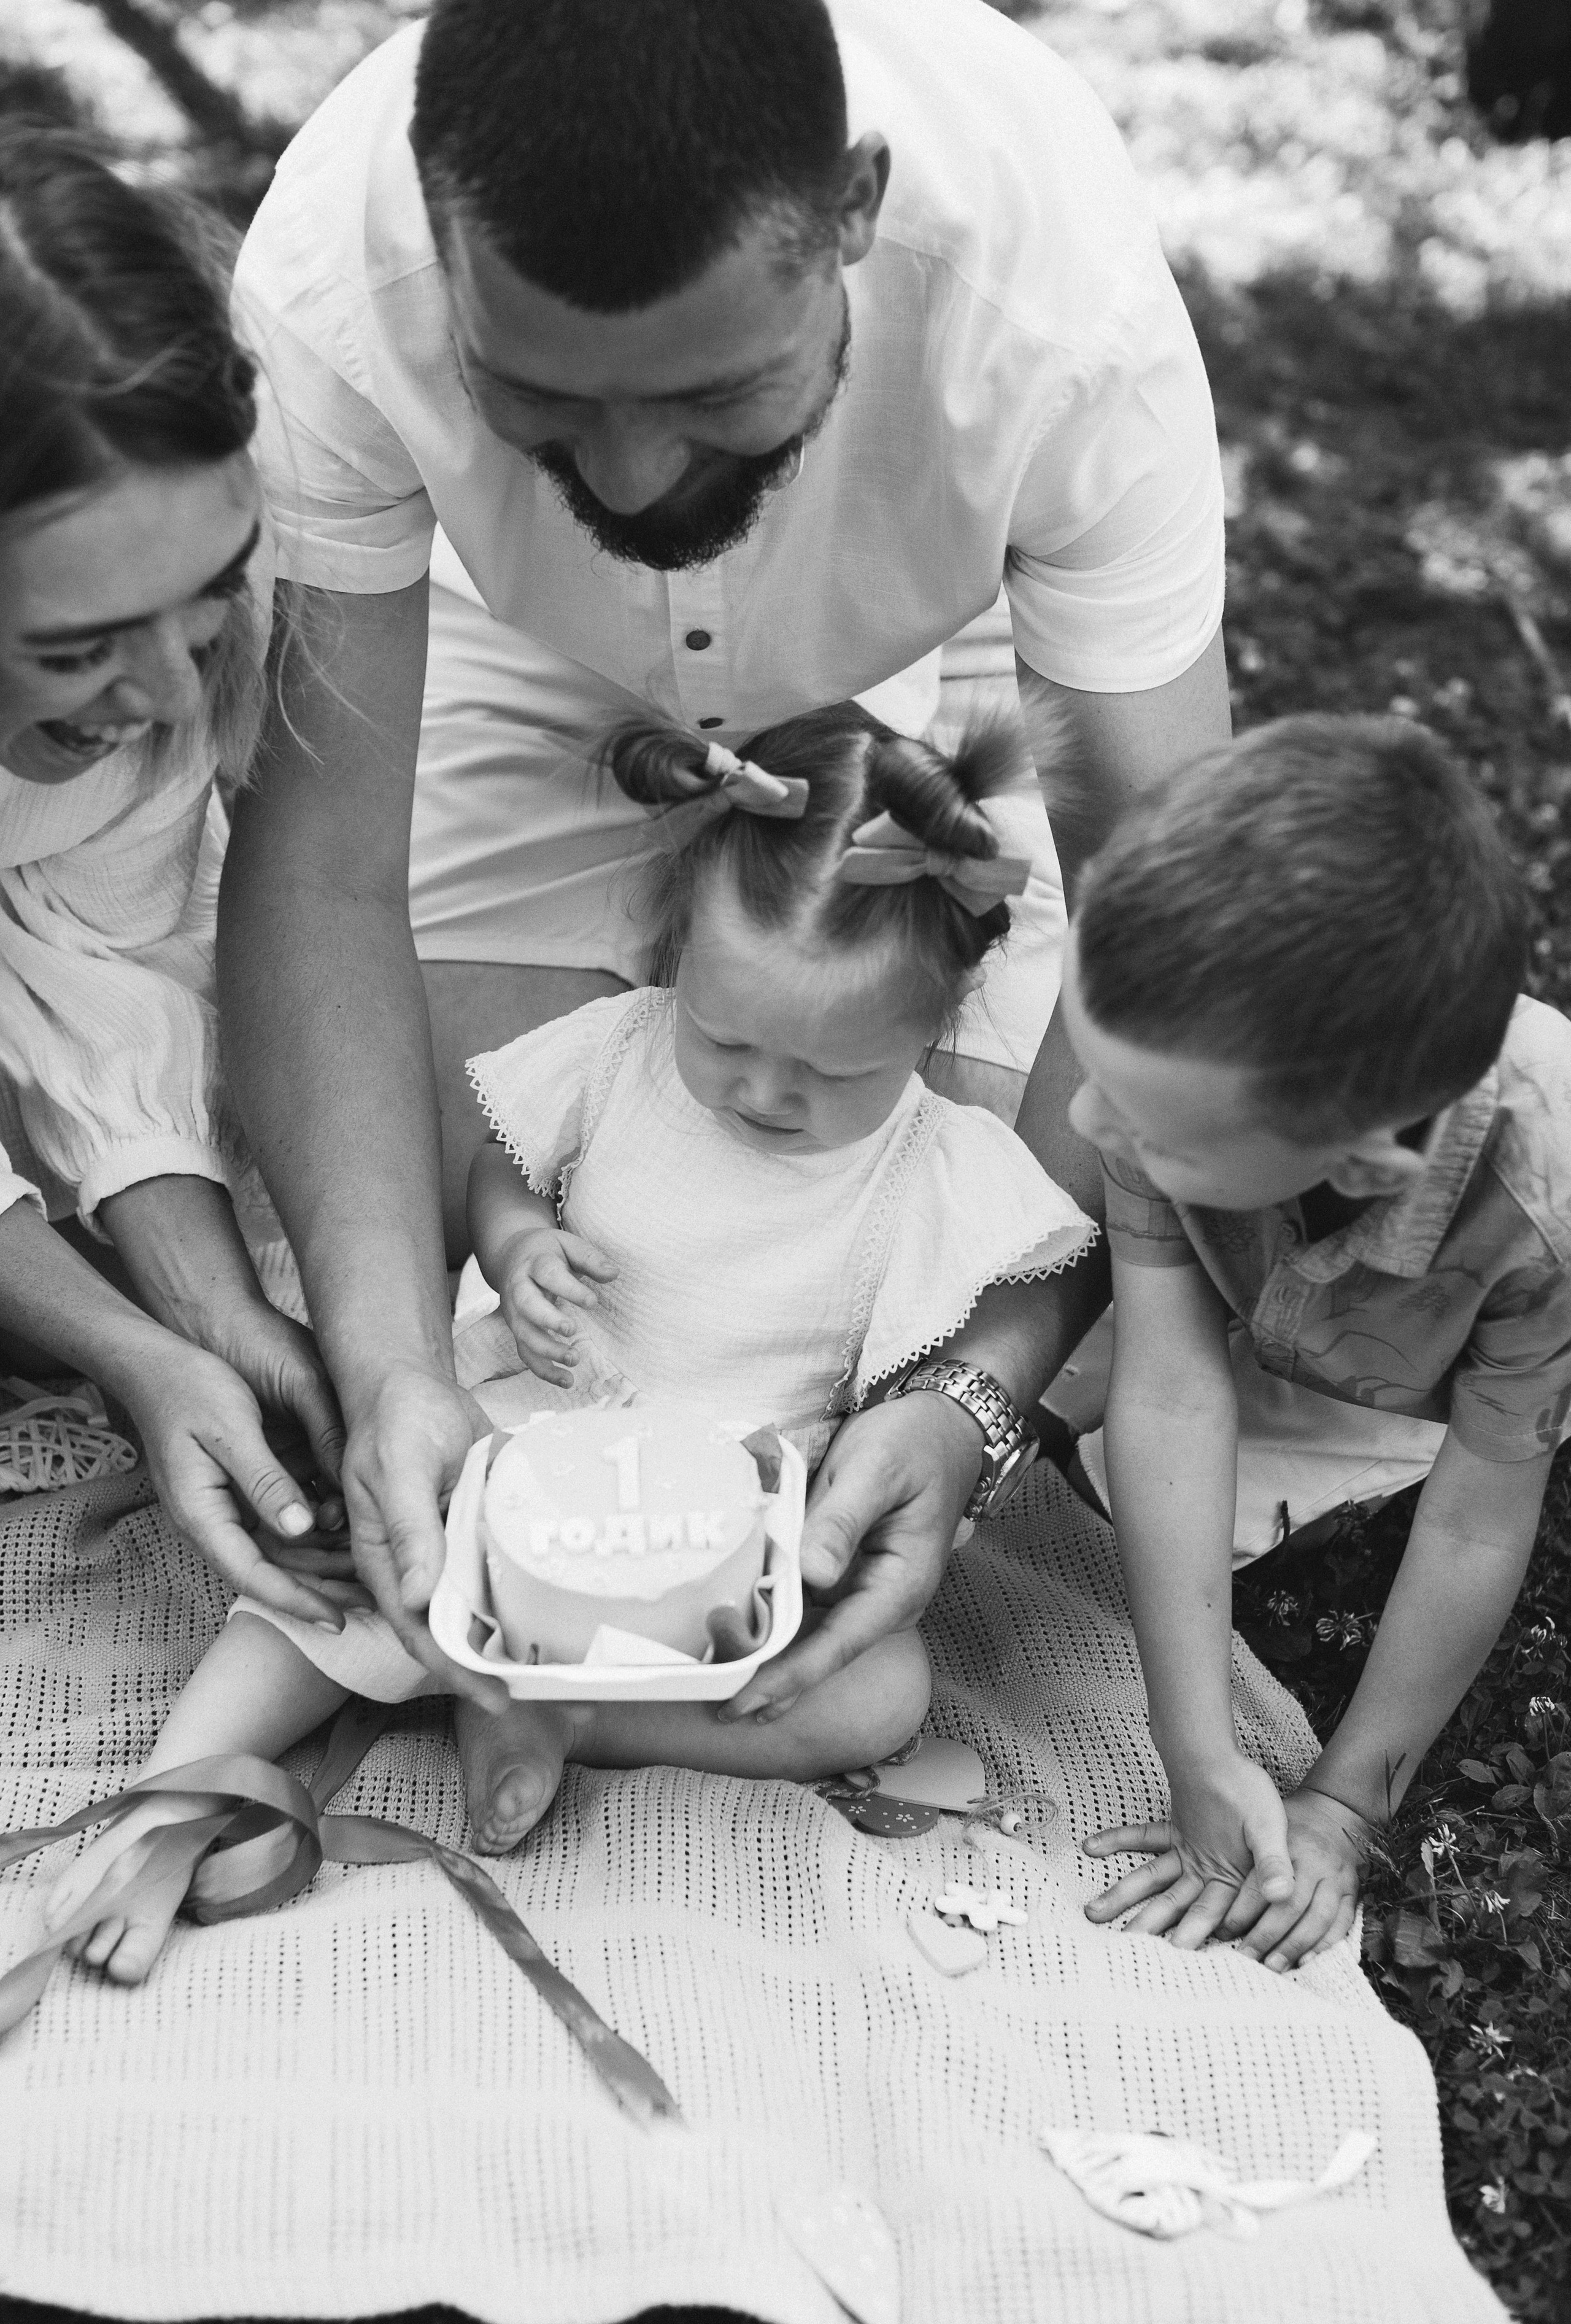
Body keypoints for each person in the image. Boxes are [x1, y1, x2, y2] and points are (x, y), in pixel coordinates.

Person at [220, 0, 1232, 1705]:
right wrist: (393, 1364)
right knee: (422, 1156)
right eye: (534, 393)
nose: (628, 469)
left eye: (713, 391)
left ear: (853, 212)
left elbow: (1166, 904)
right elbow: (319, 865)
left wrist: (978, 1392)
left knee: (1005, 1207)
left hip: (959, 658)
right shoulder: (333, 274)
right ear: (435, 230)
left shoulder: (1061, 316)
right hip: (503, 635)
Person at [47, 708, 1093, 1978]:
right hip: (529, 1446)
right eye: (728, 1041)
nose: (765, 1093)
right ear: (677, 949)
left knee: (880, 1696)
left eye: (833, 1072)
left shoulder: (937, 1167)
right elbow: (503, 1169)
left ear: (935, 1021)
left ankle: (562, 1712)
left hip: (723, 1523)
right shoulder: (620, 1054)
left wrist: (914, 1428)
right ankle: (170, 1801)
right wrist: (513, 1248)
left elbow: (1011, 1304)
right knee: (337, 1570)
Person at [1056, 715, 1568, 1972]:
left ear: (1353, 1165)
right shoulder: (1161, 1096)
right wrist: (1194, 1747)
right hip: (1291, 1330)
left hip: (1468, 1367)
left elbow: (1472, 1518)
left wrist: (1343, 1803)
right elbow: (1172, 1394)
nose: (1086, 1124)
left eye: (1155, 1134)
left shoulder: (1542, 1223)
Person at [0, 124, 349, 1609]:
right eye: (76, 648)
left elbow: (94, 968)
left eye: (204, 599)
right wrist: (127, 1351)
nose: (157, 695)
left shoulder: (172, 661)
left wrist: (206, 1314)